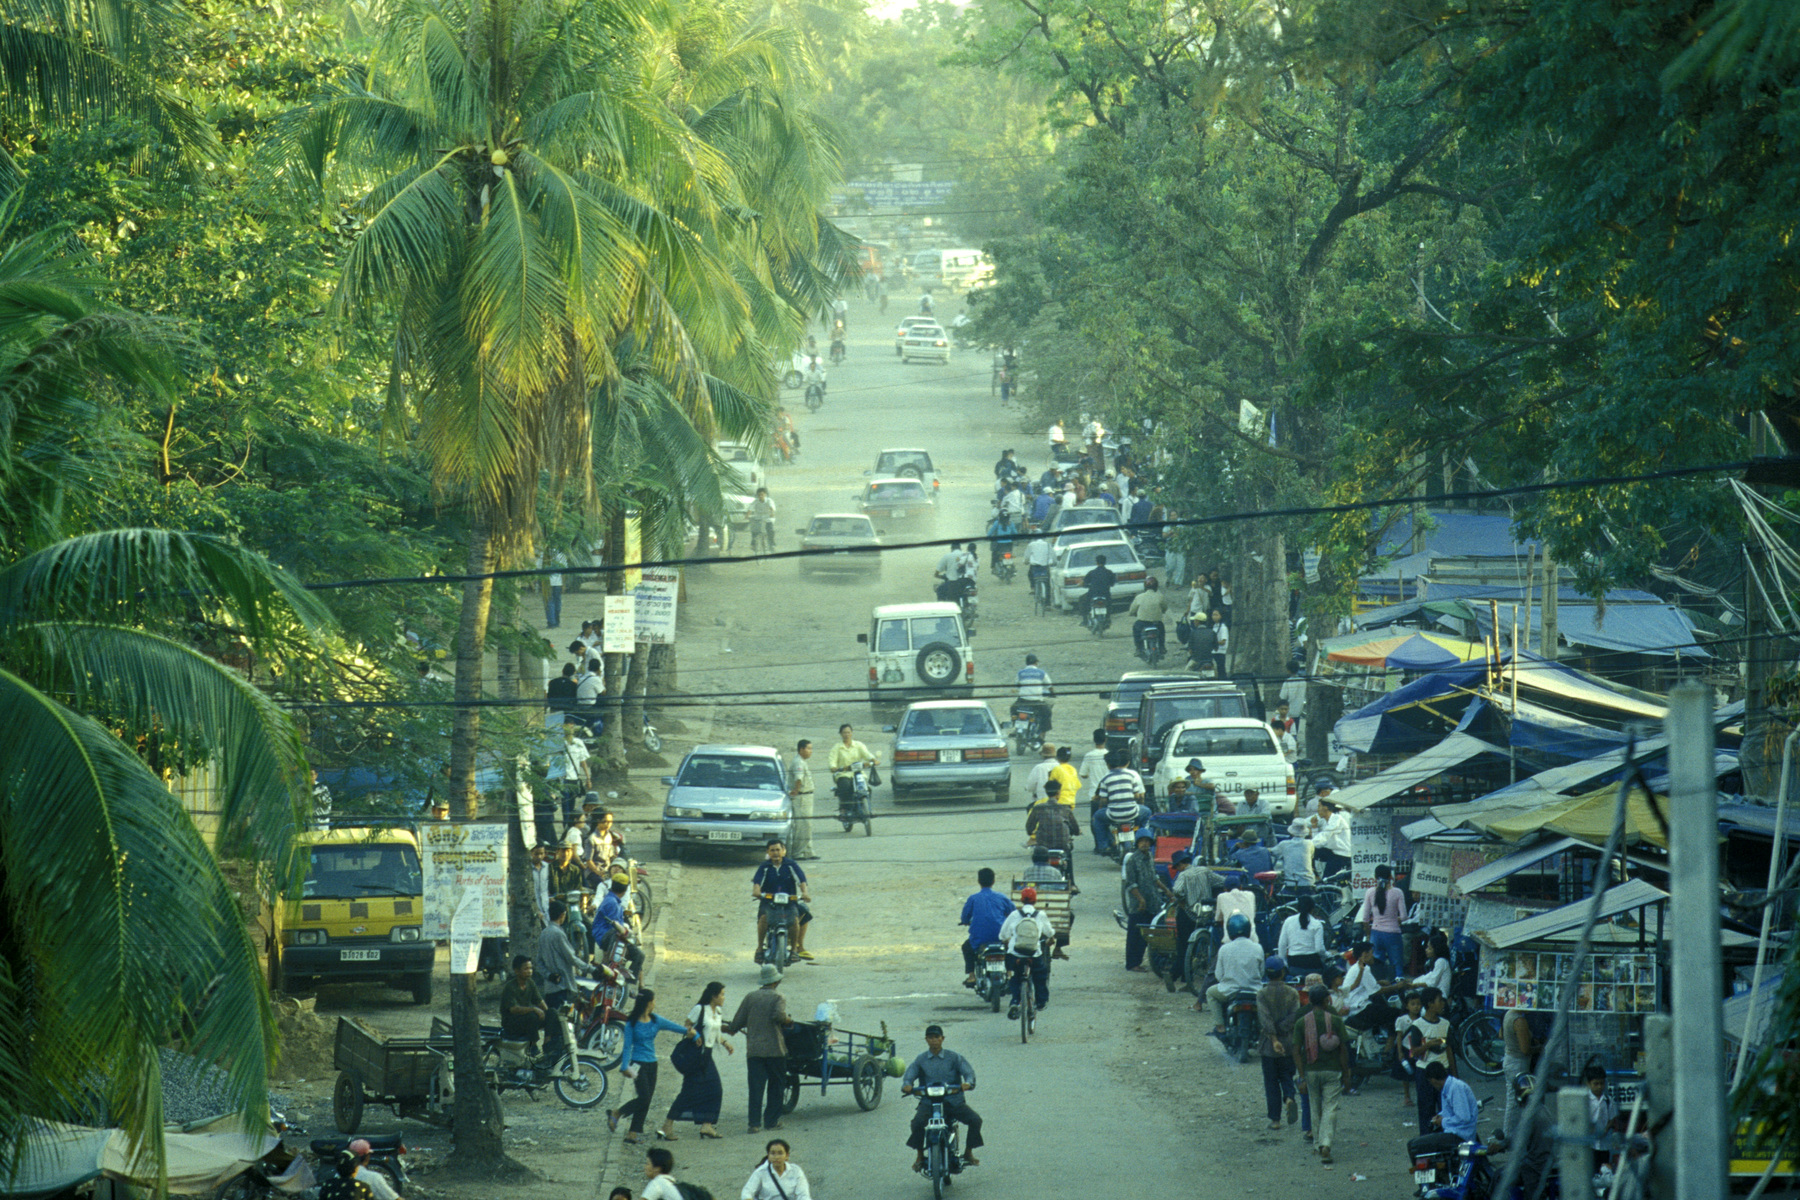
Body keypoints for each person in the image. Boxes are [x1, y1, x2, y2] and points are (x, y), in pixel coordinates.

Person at [607, 989, 694, 1143]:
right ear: (648, 1003)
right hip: (636, 1064)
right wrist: (624, 1066)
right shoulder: (631, 1023)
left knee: (646, 1099)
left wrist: (695, 1035)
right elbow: (627, 1047)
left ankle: (633, 1133)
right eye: (653, 1001)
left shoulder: (656, 1020)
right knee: (644, 1098)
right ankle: (618, 1112)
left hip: (652, 1064)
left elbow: (676, 1028)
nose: (655, 1003)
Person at [723, 963, 793, 1134]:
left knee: (756, 1087)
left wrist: (729, 1028)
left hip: (754, 1050)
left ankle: (754, 1124)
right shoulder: (778, 997)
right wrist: (787, 1020)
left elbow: (737, 1022)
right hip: (775, 1049)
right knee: (776, 1085)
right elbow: (778, 1016)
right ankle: (771, 1121)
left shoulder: (750, 997)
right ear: (776, 982)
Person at [902, 1025, 982, 1171]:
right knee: (917, 1124)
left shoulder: (954, 1057)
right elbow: (910, 1074)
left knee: (975, 1120)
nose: (934, 1041)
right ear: (926, 1040)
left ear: (942, 1039)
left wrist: (968, 1083)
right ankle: (920, 1156)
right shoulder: (921, 1060)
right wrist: (907, 1085)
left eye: (937, 1037)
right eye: (930, 1038)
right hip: (929, 1102)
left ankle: (968, 1152)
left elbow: (969, 1072)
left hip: (953, 1101)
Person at [661, 980, 732, 1140]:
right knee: (689, 1092)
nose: (723, 997)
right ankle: (667, 1125)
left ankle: (707, 1125)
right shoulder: (699, 1009)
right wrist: (695, 1036)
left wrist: (725, 1043)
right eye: (722, 994)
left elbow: (715, 1032)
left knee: (715, 1089)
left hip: (707, 1055)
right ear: (713, 996)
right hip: (695, 1055)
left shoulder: (718, 1011)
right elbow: (687, 1027)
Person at [1293, 985, 1352, 1166]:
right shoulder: (1335, 1020)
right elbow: (1343, 1049)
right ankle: (1326, 1143)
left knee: (1315, 1106)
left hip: (1311, 1071)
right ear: (1327, 1000)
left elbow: (1296, 1050)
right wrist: (1346, 1073)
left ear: (1310, 1001)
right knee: (1330, 1107)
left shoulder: (1302, 1022)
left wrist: (1301, 1074)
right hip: (1332, 1070)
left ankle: (1318, 1144)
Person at [536, 900, 591, 1057]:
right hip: (564, 986)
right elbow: (572, 958)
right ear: (562, 915)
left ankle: (551, 1053)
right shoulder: (559, 934)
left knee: (552, 1023)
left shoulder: (544, 933)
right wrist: (591, 969)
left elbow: (538, 962)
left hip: (550, 987)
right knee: (563, 1023)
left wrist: (548, 975)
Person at [1169, 851, 1228, 986]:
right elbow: (1222, 881)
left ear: (1180, 865)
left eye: (1177, 867)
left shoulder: (1183, 875)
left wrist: (1182, 900)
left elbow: (1176, 891)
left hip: (1187, 914)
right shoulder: (1204, 871)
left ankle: (1178, 975)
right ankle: (1184, 977)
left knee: (1183, 945)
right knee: (1197, 945)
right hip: (1203, 915)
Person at [1257, 956, 1302, 1131]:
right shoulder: (1292, 993)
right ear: (1283, 972)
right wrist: (1282, 1030)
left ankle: (1275, 1120)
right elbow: (1294, 1016)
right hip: (1289, 1043)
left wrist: (1274, 1037)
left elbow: (1264, 1019)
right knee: (1286, 1076)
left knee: (1271, 1083)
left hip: (1269, 1045)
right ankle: (1289, 1098)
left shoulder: (1261, 994)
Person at [751, 839, 812, 961]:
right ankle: (759, 948)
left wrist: (804, 893)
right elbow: (757, 881)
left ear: (784, 851)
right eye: (772, 850)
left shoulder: (791, 865)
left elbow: (801, 879)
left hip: (789, 901)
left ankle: (794, 949)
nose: (775, 853)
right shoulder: (765, 866)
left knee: (795, 921)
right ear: (768, 852)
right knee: (763, 919)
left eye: (778, 850)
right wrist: (756, 891)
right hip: (769, 901)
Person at [1124, 832, 1173, 972]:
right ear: (1137, 843)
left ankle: (1158, 961)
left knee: (1153, 932)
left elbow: (1154, 877)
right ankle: (1133, 963)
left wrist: (1167, 891)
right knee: (1135, 935)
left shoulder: (1150, 857)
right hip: (1138, 904)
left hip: (1153, 901)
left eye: (1147, 841)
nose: (1144, 844)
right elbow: (1130, 884)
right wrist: (1140, 899)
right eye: (1142, 841)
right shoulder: (1132, 860)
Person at [1204, 912, 1264, 1027]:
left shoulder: (1224, 949)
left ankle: (1220, 1026)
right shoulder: (1258, 948)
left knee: (1210, 993)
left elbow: (1219, 975)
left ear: (1229, 930)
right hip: (1254, 990)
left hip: (1230, 991)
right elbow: (1261, 973)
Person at [999, 886, 1052, 1017]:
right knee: (1040, 975)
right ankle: (1040, 1002)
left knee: (1014, 977)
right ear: (1035, 901)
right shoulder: (1041, 915)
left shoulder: (1014, 915)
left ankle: (1015, 1001)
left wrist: (1009, 941)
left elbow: (1002, 935)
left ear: (1022, 900)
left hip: (1015, 954)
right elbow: (1050, 932)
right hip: (1034, 955)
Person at [958, 867, 1015, 986]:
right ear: (993, 881)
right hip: (1000, 937)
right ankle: (1009, 973)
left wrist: (965, 921)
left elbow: (964, 918)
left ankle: (971, 976)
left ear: (979, 881)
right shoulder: (1001, 897)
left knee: (966, 948)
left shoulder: (973, 898)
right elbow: (1013, 912)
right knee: (1010, 947)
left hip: (979, 939)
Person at [1412, 987, 1453, 1133]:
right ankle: (1426, 1143)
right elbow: (1414, 1051)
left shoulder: (1445, 1024)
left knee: (1446, 1110)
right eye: (1439, 1000)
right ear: (1429, 1004)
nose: (1443, 1003)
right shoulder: (1418, 1025)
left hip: (1444, 1071)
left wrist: (1454, 1074)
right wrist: (1428, 1045)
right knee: (1426, 1110)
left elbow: (1449, 1049)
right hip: (1424, 1072)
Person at [1093, 749, 1149, 855]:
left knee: (1097, 817)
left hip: (1114, 814)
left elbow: (1103, 800)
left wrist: (1101, 808)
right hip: (1133, 812)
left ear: (1108, 764)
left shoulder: (1105, 779)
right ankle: (1142, 835)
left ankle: (1103, 846)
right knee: (1148, 812)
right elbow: (1138, 795)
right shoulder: (1131, 776)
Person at [1024, 784, 1080, 888]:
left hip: (1044, 845)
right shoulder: (1065, 809)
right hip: (1062, 845)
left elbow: (1029, 828)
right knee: (1068, 856)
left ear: (1046, 793)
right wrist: (1075, 832)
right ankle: (1072, 883)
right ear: (1058, 793)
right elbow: (1075, 829)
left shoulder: (1038, 808)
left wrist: (1031, 833)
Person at [827, 723, 878, 834]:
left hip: (858, 773)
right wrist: (834, 767)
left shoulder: (858, 745)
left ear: (852, 733)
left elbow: (867, 755)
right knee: (845, 786)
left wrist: (873, 760)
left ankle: (868, 809)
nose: (847, 734)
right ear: (840, 734)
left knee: (867, 790)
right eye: (844, 732)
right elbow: (832, 762)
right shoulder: (837, 747)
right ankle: (844, 809)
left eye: (849, 732)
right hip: (843, 774)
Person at [1359, 864, 1408, 979]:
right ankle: (1398, 989)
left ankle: (1380, 987)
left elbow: (1365, 918)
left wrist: (1368, 934)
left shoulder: (1370, 892)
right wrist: (1396, 920)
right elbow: (1404, 916)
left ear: (1375, 877)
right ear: (1391, 877)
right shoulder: (1397, 892)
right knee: (1397, 965)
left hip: (1376, 933)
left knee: (1376, 965)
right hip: (1393, 934)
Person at [593, 876, 644, 978]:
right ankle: (609, 967)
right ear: (625, 890)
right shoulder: (612, 902)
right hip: (606, 935)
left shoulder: (612, 900)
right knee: (619, 938)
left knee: (639, 955)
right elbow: (615, 927)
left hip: (609, 934)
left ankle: (628, 983)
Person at [1501, 1008, 1537, 1143]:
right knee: (1516, 1101)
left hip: (1510, 1059)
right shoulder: (1519, 1021)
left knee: (1514, 1098)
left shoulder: (1508, 1014)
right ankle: (1509, 1136)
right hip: (1518, 1063)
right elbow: (1525, 1049)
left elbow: (1500, 1034)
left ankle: (1512, 1135)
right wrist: (1540, 1048)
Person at [499, 955, 549, 1050]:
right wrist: (534, 1009)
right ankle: (533, 1046)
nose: (530, 971)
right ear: (517, 971)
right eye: (526, 969)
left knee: (552, 1013)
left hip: (526, 1020)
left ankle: (548, 1045)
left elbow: (539, 1001)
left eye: (530, 968)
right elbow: (514, 1009)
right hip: (512, 1023)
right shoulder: (510, 987)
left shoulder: (530, 983)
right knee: (532, 1016)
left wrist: (547, 1013)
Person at [741, 1138, 811, 1200]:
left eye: (780, 1153)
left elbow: (803, 1195)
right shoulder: (761, 1172)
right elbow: (747, 1192)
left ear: (787, 1156)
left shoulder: (796, 1171)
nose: (776, 1157)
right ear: (768, 1155)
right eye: (772, 1153)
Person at [1426, 1061, 1479, 1143]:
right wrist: (1439, 1116)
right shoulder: (1447, 1088)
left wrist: (1442, 1121)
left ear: (1433, 1080)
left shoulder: (1456, 1088)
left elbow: (1463, 1118)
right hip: (1453, 1131)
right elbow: (1450, 1111)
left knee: (1419, 1145)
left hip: (1461, 1134)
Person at [1278, 894, 1329, 975]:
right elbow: (1319, 949)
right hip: (1313, 966)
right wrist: (1327, 955)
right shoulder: (1317, 924)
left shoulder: (1288, 921)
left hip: (1293, 965)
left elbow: (1282, 945)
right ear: (1313, 909)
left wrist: (1285, 964)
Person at [787, 739, 817, 861]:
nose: (810, 751)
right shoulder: (798, 762)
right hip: (802, 798)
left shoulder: (803, 762)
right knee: (802, 825)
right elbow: (798, 779)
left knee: (808, 825)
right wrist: (797, 790)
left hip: (807, 796)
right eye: (808, 749)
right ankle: (798, 852)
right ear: (801, 749)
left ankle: (808, 851)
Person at [1583, 1062, 1618, 1167]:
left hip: (1604, 1144)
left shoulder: (1608, 1101)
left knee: (1603, 1171)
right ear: (1588, 1084)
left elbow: (1612, 1118)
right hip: (1588, 1144)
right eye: (1596, 1084)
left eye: (1602, 1083)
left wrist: (1606, 1129)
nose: (1599, 1087)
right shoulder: (1584, 1100)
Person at [1129, 576, 1168, 660]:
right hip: (1156, 623)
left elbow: (1132, 610)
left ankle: (1139, 648)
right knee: (1161, 632)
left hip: (1142, 623)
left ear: (1145, 586)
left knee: (1136, 630)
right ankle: (1162, 647)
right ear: (1156, 586)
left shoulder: (1139, 597)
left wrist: (1133, 613)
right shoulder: (1160, 596)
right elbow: (1165, 608)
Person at [1015, 654, 1053, 736]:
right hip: (1037, 701)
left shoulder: (1021, 673)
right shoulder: (1041, 673)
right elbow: (1049, 686)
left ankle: (1015, 728)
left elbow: (1017, 685)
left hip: (1023, 701)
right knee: (1047, 713)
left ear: (1026, 663)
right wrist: (1052, 693)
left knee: (1013, 709)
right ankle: (1042, 732)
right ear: (1036, 663)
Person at [1312, 800, 1352, 878]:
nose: (1317, 809)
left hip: (1342, 854)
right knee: (1313, 851)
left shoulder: (1336, 818)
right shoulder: (1325, 822)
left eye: (1319, 806)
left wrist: (1309, 844)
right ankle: (1315, 873)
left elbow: (1325, 835)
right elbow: (1320, 843)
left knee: (1327, 878)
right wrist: (1314, 827)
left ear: (1326, 807)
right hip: (1333, 852)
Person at [1077, 728, 1109, 811]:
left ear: (1094, 740)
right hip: (1109, 794)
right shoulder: (1110, 755)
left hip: (1094, 794)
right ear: (1105, 740)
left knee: (1095, 820)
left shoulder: (1089, 756)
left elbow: (1083, 774)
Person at [1275, 820, 1315, 885]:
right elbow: (1311, 857)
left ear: (1291, 832)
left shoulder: (1284, 844)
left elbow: (1272, 852)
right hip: (1308, 882)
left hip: (1291, 882)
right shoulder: (1309, 843)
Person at [1080, 553, 1116, 623]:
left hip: (1093, 594)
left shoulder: (1092, 572)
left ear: (1096, 562)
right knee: (1109, 605)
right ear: (1105, 562)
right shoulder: (1109, 572)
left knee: (1082, 600)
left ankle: (1085, 620)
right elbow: (1112, 584)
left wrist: (1080, 584)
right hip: (1105, 594)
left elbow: (1084, 583)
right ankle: (1108, 618)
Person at [985, 508, 1020, 573]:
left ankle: (993, 567)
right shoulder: (1011, 523)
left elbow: (991, 531)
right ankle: (1012, 566)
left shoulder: (997, 523)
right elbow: (1015, 533)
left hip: (999, 544)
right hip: (1009, 544)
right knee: (1010, 554)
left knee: (994, 554)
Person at [1208, 609, 1229, 677]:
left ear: (1221, 616)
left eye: (1216, 615)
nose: (1214, 616)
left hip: (1220, 651)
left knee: (1221, 669)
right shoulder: (1214, 626)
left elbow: (1223, 641)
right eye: (1213, 615)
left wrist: (1214, 643)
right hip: (1213, 651)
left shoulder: (1223, 627)